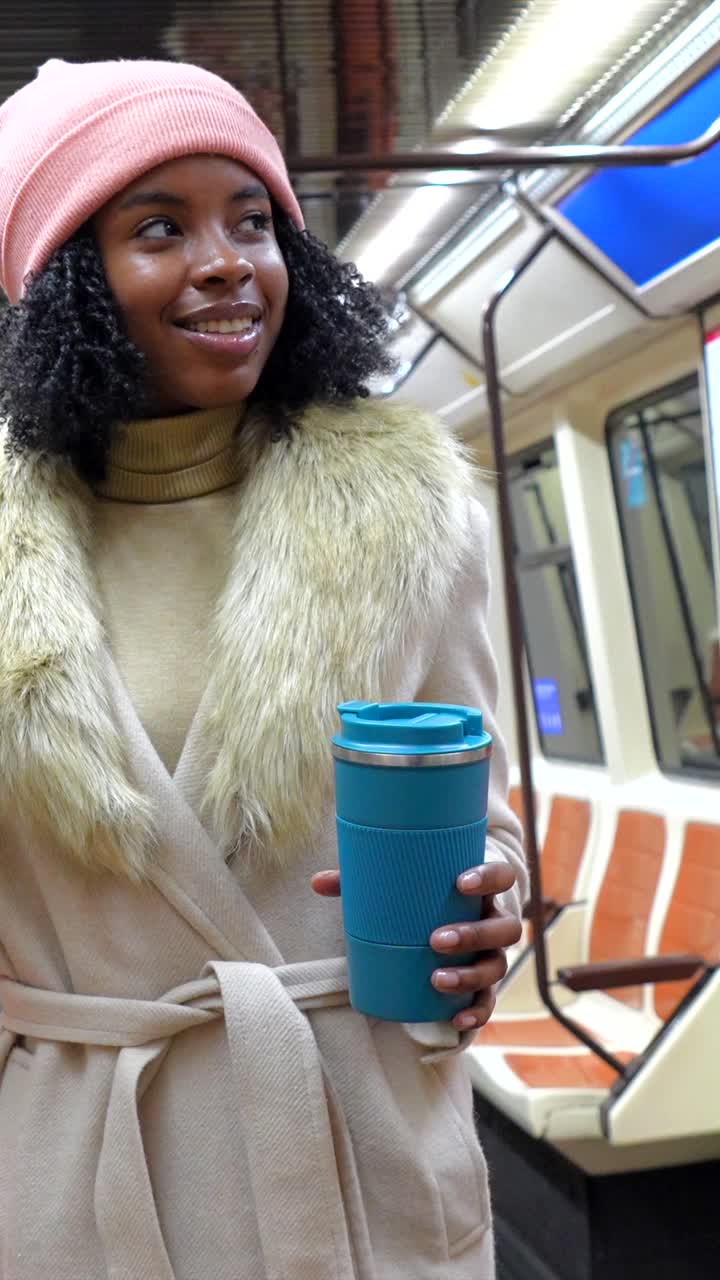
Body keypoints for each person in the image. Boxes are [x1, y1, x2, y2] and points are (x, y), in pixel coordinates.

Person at [0, 58, 527, 1280]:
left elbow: (484, 809)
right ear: (67, 278)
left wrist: (488, 900)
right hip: (86, 1164)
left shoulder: (408, 518)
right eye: (159, 229)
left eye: (253, 221)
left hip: (362, 1139)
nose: (228, 261)